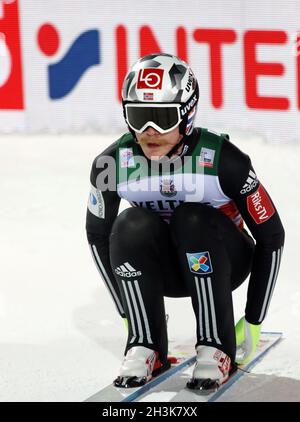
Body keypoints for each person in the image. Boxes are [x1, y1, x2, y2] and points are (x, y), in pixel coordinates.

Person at [86, 53, 285, 390]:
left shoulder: (224, 160)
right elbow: (97, 236)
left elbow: (271, 236)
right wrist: (127, 311)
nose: (149, 132)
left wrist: (253, 319)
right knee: (130, 223)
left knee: (191, 217)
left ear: (187, 114)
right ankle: (145, 342)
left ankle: (215, 345)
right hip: (166, 269)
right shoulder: (111, 164)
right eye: (138, 117)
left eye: (162, 118)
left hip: (224, 261)